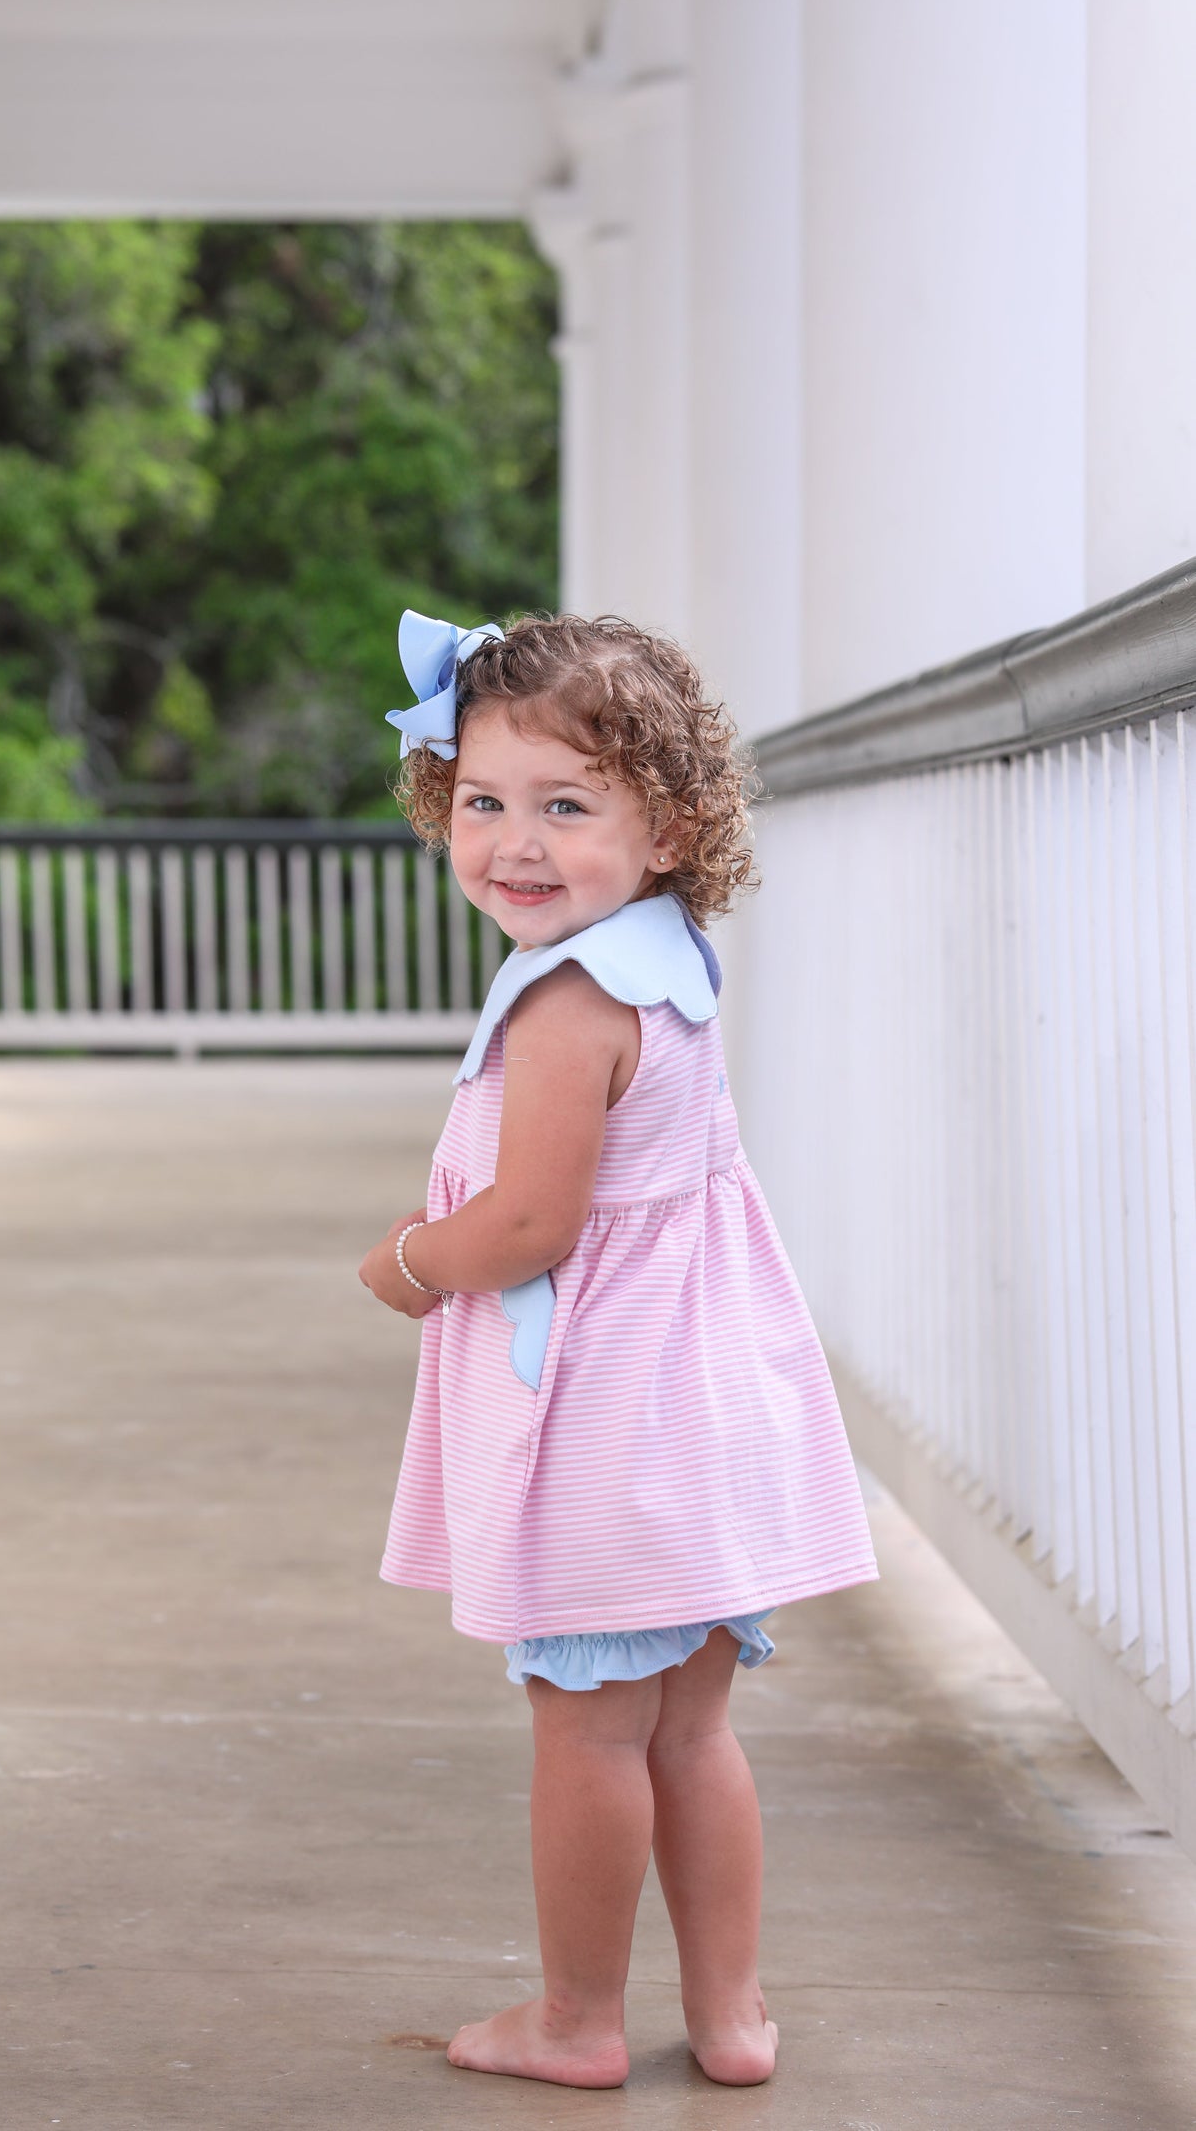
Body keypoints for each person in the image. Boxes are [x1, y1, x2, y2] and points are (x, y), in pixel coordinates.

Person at [358, 609, 878, 2091]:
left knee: (588, 1736)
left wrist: (410, 1263)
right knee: (692, 1733)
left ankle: (577, 2020)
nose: (515, 843)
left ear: (669, 828)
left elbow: (532, 1223)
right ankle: (731, 2017)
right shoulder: (668, 961)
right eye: (483, 800)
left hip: (605, 1422)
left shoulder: (566, 1007)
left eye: (567, 806)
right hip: (702, 1397)